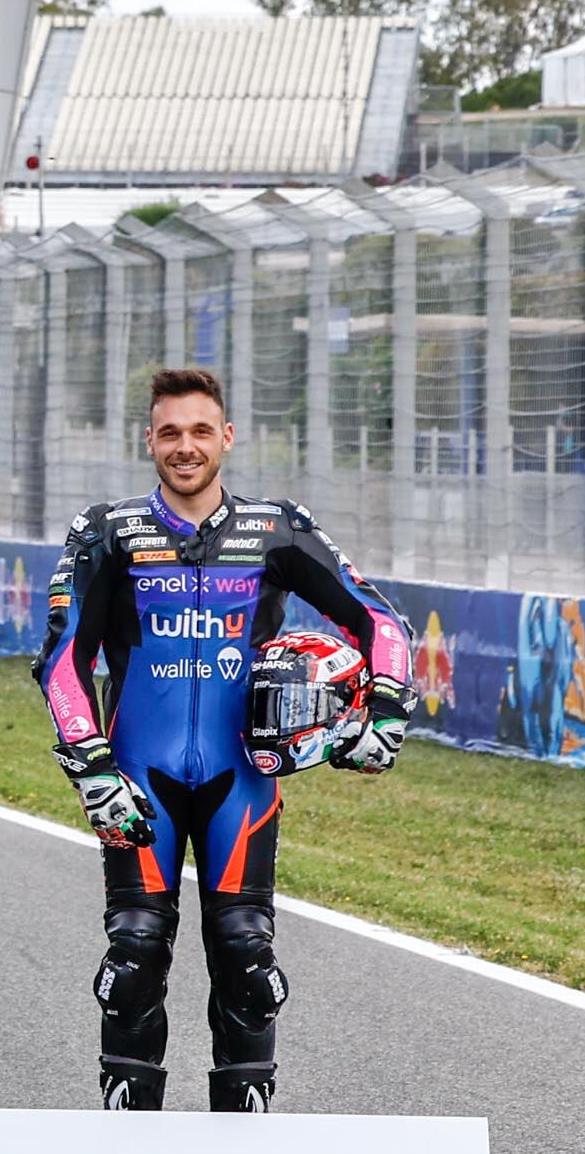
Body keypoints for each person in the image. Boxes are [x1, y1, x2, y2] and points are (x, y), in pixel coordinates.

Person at [36, 365, 414, 1113]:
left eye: (200, 431)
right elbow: (61, 657)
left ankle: (243, 1147)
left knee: (246, 955)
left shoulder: (276, 528)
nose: (185, 447)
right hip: (136, 781)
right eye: (170, 432)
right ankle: (128, 1132)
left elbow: (380, 621)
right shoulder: (106, 531)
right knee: (136, 953)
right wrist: (91, 767)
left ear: (228, 437)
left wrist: (388, 714)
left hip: (242, 779)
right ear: (149, 439)